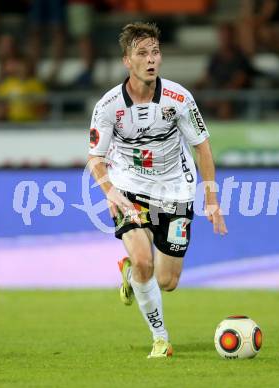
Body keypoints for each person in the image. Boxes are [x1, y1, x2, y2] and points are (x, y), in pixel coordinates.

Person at [87, 22, 227, 358]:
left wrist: (211, 198)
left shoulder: (179, 99)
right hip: (130, 189)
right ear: (127, 61)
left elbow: (202, 147)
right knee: (144, 261)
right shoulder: (109, 107)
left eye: (155, 52)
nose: (151, 59)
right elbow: (95, 158)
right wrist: (110, 190)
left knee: (167, 281)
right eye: (142, 53)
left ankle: (130, 273)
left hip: (177, 190)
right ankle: (160, 339)